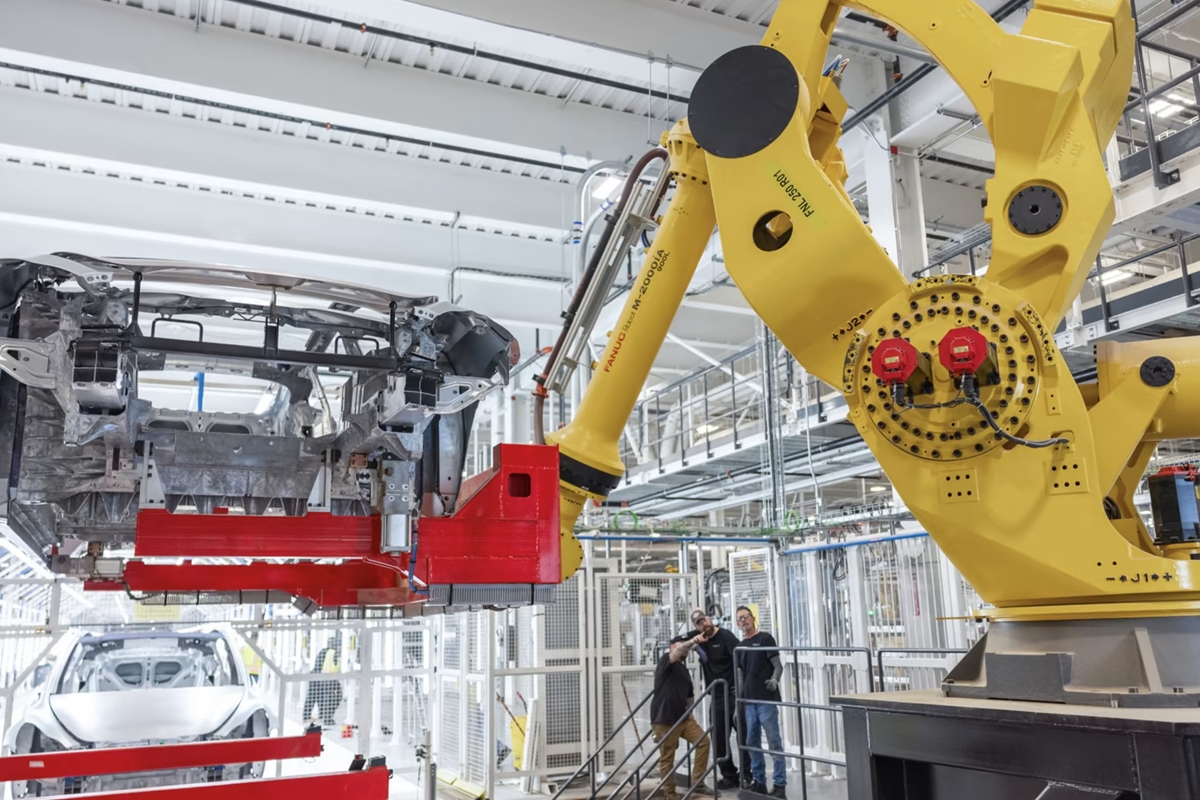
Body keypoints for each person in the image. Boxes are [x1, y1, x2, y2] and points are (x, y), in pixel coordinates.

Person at [685, 608, 745, 790]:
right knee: (718, 737)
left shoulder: (726, 637)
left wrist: (741, 688)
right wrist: (693, 643)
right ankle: (729, 775)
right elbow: (675, 642)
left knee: (744, 735)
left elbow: (742, 659)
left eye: (704, 620)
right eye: (699, 623)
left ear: (709, 619)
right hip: (717, 697)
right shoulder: (699, 638)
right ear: (696, 627)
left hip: (733, 695)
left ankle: (748, 775)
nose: (704, 624)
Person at [650, 634, 713, 799]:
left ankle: (698, 783)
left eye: (687, 647)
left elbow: (689, 696)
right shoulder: (666, 661)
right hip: (664, 719)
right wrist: (692, 642)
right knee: (667, 757)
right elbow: (678, 651)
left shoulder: (683, 670)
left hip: (683, 718)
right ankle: (670, 794)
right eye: (682, 645)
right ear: (672, 647)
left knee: (703, 741)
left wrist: (689, 712)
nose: (686, 649)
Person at [736, 607, 786, 798]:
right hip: (749, 702)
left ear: (753, 618)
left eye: (746, 616)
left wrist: (775, 680)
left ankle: (780, 785)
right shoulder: (740, 647)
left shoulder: (765, 639)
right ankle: (759, 782)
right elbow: (740, 676)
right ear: (737, 624)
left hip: (766, 700)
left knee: (774, 741)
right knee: (752, 741)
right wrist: (738, 702)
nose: (744, 620)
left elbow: (777, 665)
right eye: (740, 618)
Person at [303, 636, 344, 728]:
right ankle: (327, 718)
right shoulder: (334, 653)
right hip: (327, 678)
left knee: (316, 696)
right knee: (332, 697)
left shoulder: (323, 651)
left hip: (317, 677)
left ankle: (309, 716)